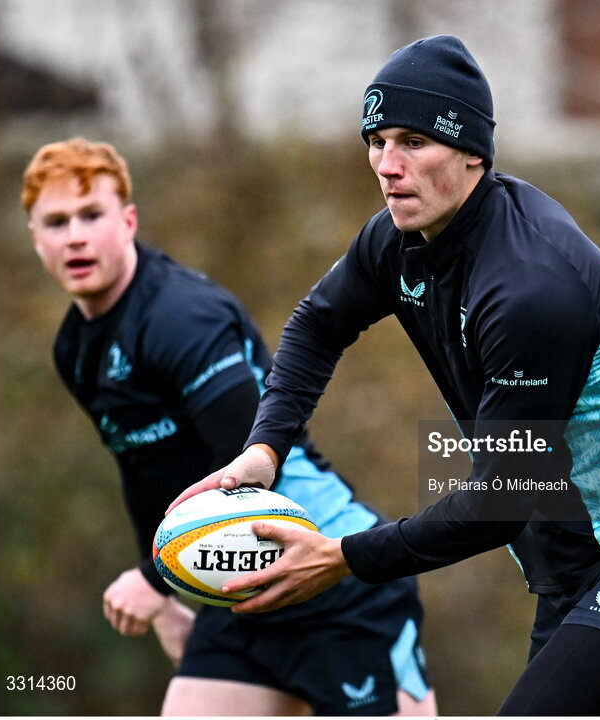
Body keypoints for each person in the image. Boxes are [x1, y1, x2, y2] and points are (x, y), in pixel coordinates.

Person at [173, 35, 600, 715]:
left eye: (413, 141)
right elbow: (317, 325)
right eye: (376, 140)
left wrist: (344, 557)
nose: (388, 166)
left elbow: (500, 500)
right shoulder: (396, 242)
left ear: (474, 149)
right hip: (570, 573)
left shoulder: (530, 289)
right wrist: (266, 449)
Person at [22, 138, 436, 716]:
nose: (75, 236)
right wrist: (167, 588)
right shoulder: (75, 347)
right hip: (238, 588)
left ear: (128, 222)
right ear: (36, 239)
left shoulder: (179, 320)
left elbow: (250, 467)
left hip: (334, 583)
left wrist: (153, 579)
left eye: (92, 215)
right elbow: (143, 471)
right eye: (56, 222)